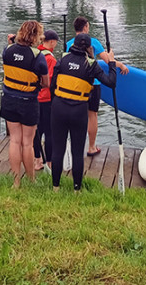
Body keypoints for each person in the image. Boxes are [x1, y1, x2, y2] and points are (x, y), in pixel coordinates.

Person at [50, 33, 117, 192]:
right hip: (78, 110)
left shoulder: (62, 60)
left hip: (58, 107)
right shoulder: (91, 64)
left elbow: (52, 86)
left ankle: (55, 188)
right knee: (77, 151)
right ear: (89, 48)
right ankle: (76, 190)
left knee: (58, 149)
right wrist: (112, 62)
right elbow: (111, 82)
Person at [65, 16, 128, 156]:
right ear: (86, 27)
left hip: (75, 84)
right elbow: (107, 61)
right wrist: (121, 65)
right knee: (92, 115)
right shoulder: (93, 42)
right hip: (93, 84)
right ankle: (91, 147)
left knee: (77, 115)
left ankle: (75, 145)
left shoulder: (68, 43)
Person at [0, 20, 48, 188]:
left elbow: (11, 57)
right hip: (28, 102)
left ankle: (16, 182)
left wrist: (11, 43)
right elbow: (46, 83)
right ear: (35, 37)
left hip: (9, 99)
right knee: (27, 143)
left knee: (14, 140)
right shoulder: (38, 57)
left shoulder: (7, 50)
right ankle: (31, 179)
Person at [33, 29, 60, 172]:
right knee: (49, 132)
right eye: (55, 43)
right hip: (47, 100)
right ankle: (49, 162)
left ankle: (37, 160)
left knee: (36, 130)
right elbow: (51, 82)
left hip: (33, 98)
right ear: (51, 42)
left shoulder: (34, 53)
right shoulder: (51, 59)